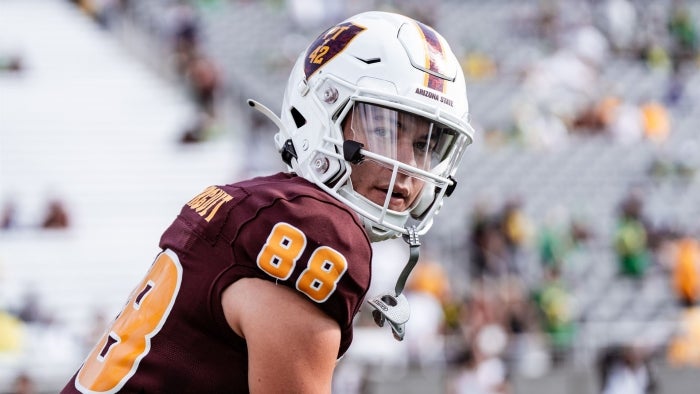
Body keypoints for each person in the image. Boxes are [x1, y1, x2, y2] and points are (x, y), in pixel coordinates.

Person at [62, 11, 475, 393]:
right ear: (323, 111)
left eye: (424, 144)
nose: (407, 164)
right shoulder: (315, 228)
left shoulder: (257, 202)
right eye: (384, 128)